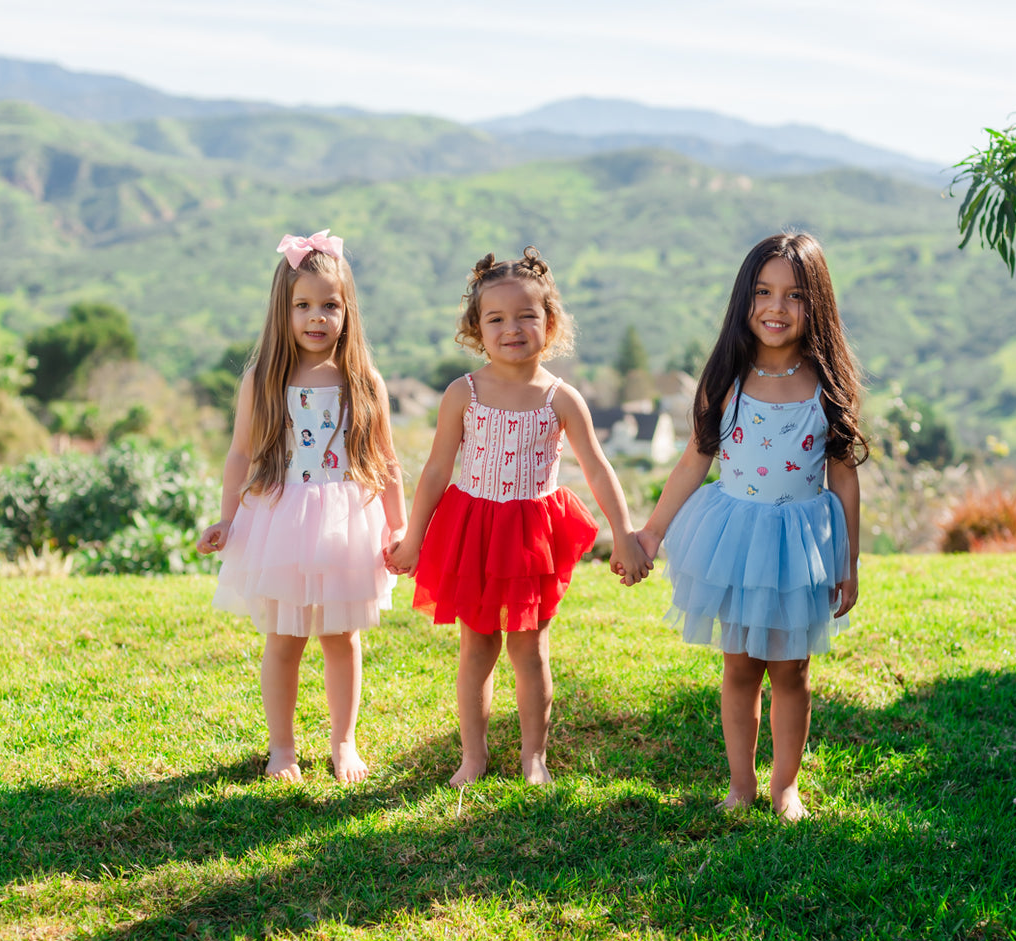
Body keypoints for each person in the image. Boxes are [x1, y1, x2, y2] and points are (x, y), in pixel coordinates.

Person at [386, 247, 652, 786]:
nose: (512, 328)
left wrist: (624, 534)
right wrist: (413, 538)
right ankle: (473, 756)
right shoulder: (463, 393)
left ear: (549, 323)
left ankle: (535, 757)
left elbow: (597, 468)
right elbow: (436, 470)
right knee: (477, 646)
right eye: (496, 319)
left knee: (530, 648)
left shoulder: (560, 397)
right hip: (474, 531)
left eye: (526, 315)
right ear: (476, 329)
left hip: (532, 536)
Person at [635, 232, 867, 819]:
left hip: (801, 548)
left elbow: (844, 480)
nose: (776, 307)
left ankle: (785, 787)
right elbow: (694, 460)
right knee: (739, 666)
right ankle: (741, 785)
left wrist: (849, 562)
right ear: (745, 298)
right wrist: (652, 532)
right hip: (737, 542)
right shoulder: (727, 380)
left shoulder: (826, 386)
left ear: (817, 304)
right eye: (763, 292)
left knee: (792, 670)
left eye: (794, 295)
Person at [198, 229, 405, 784]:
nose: (317, 317)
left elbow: (386, 460)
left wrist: (399, 528)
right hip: (282, 517)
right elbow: (240, 453)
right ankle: (282, 748)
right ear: (283, 310)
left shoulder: (364, 380)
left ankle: (344, 742)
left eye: (330, 305)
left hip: (345, 520)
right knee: (284, 639)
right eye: (303, 305)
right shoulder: (264, 378)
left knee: (342, 637)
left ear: (348, 309)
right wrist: (227, 518)